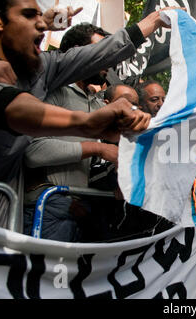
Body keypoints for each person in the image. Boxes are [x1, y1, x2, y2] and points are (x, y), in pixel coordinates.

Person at [0, 0, 171, 230]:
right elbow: (13, 108)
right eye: (28, 16)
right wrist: (87, 126)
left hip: (3, 222)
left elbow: (101, 53)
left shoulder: (41, 69)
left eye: (41, 17)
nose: (43, 26)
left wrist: (154, 21)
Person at [22, 24, 121, 242]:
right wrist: (98, 148)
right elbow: (33, 151)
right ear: (78, 53)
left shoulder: (96, 102)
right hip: (47, 210)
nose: (108, 61)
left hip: (81, 209)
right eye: (101, 51)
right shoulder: (49, 91)